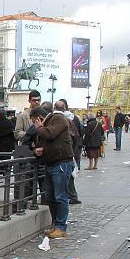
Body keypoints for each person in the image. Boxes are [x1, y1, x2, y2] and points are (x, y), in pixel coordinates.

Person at [32, 101, 74, 239]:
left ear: (40, 118)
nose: (35, 124)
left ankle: (61, 227)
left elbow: (50, 134)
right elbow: (42, 141)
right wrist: (37, 151)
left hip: (61, 163)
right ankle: (55, 224)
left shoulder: (58, 119)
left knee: (60, 196)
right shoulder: (46, 125)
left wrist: (39, 127)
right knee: (50, 196)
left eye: (35, 121)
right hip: (51, 163)